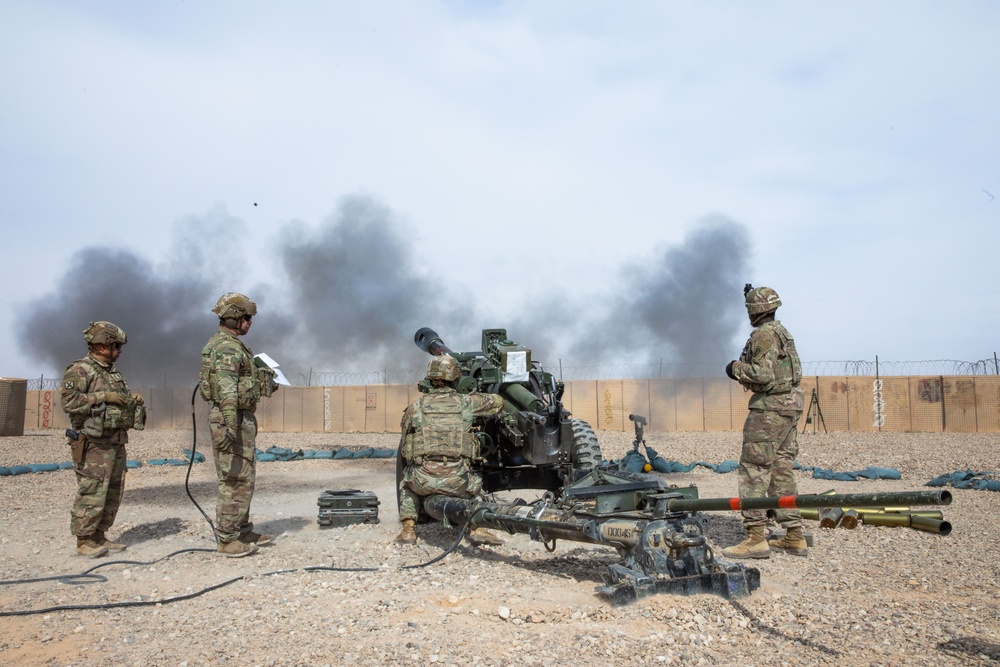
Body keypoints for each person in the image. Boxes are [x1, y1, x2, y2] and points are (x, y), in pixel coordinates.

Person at [722, 285, 807, 559]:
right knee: (781, 469)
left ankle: (755, 537)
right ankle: (794, 534)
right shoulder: (783, 332)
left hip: (769, 409)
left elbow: (762, 375)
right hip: (789, 406)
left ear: (754, 310)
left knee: (754, 470)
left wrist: (734, 368)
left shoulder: (763, 336)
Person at [198, 292, 279, 557]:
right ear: (234, 317)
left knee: (245, 476)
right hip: (230, 417)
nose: (250, 323)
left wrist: (262, 381)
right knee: (235, 479)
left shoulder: (232, 344)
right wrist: (231, 427)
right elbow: (227, 391)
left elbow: (239, 384)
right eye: (246, 318)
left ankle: (242, 529)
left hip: (239, 417)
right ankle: (228, 538)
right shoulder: (228, 347)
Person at [396, 354, 505, 546]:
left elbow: (406, 445)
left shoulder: (415, 407)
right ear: (455, 377)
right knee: (477, 487)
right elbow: (498, 402)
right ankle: (477, 529)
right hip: (457, 480)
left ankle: (408, 530)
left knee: (406, 485)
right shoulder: (466, 403)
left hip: (423, 480)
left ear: (430, 377)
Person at [61, 321, 144, 558]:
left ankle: (99, 535)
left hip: (115, 440)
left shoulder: (112, 372)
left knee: (113, 489)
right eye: (115, 346)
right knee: (93, 489)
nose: (119, 351)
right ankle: (84, 539)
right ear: (102, 345)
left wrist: (130, 400)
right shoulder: (80, 370)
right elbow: (69, 402)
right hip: (93, 442)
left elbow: (118, 401)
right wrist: (103, 396)